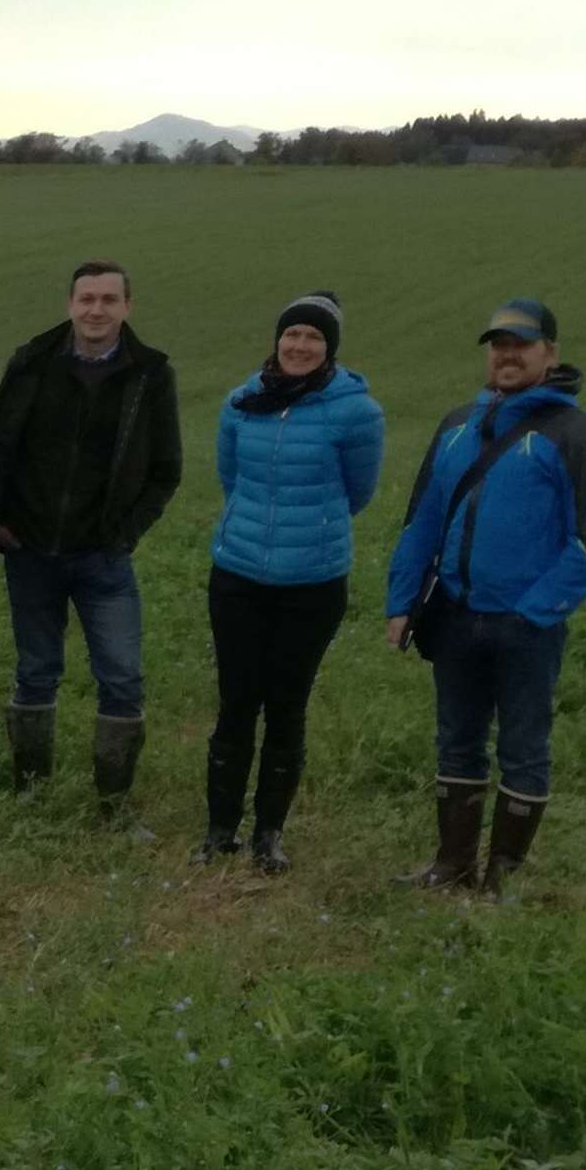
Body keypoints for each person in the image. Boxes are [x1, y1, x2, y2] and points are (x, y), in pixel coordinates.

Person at [384, 297, 586, 894]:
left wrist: (537, 609)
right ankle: (452, 866)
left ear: (550, 353)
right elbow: (422, 521)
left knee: (523, 747)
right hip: (456, 617)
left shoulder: (575, 433)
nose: (508, 355)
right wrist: (401, 601)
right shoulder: (457, 425)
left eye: (522, 344)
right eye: (498, 344)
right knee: (456, 740)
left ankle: (501, 881)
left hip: (527, 626)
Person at [198, 292, 384, 871]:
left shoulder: (357, 413)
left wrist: (304, 534)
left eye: (314, 338)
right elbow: (231, 478)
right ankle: (219, 830)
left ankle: (268, 835)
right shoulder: (240, 402)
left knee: (286, 705)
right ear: (277, 339)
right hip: (239, 576)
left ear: (330, 349)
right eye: (292, 334)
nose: (300, 346)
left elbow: (359, 493)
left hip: (312, 583)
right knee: (235, 704)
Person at [0, 260, 182, 811]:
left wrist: (125, 534)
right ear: (70, 304)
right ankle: (32, 796)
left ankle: (113, 806)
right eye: (87, 299)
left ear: (127, 308)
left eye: (109, 300)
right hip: (30, 552)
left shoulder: (151, 375)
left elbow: (166, 469)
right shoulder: (30, 363)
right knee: (35, 672)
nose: (96, 310)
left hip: (103, 557)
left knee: (122, 677)